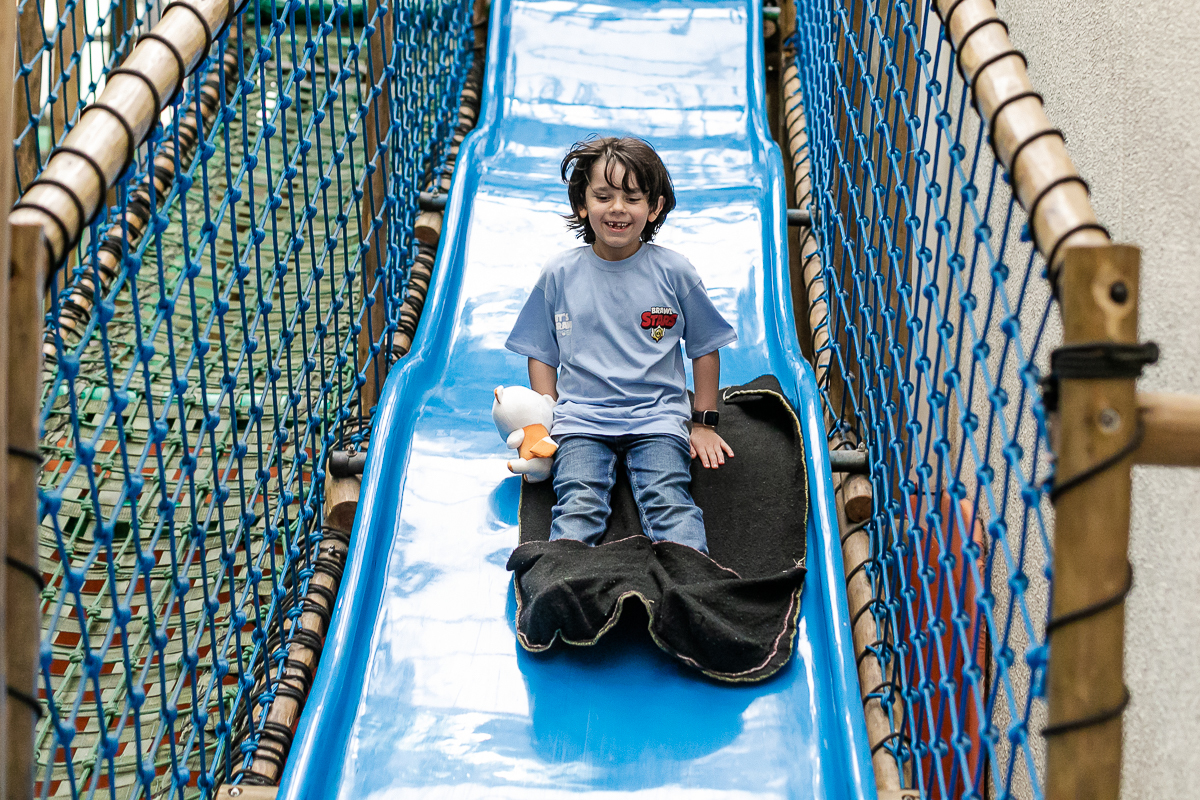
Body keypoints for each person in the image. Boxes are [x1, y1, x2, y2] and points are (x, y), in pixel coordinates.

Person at [504, 136, 737, 554]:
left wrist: (703, 422)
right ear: (582, 204)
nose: (617, 208)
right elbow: (542, 351)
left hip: (657, 418)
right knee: (578, 502)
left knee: (669, 501)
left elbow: (704, 346)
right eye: (603, 195)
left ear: (655, 208)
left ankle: (692, 584)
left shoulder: (674, 272)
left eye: (632, 197)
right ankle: (563, 581)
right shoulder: (560, 272)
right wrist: (545, 415)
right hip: (581, 422)